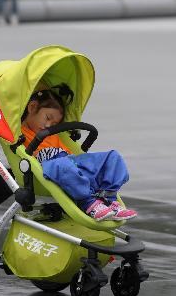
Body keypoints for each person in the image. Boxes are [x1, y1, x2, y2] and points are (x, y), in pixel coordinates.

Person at [21, 89, 137, 221]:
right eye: (48, 118)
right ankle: (88, 202)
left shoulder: (53, 134)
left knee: (112, 157)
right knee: (61, 163)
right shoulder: (19, 132)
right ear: (32, 107)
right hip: (49, 168)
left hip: (71, 163)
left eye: (54, 124)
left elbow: (71, 157)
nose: (49, 125)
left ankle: (108, 199)